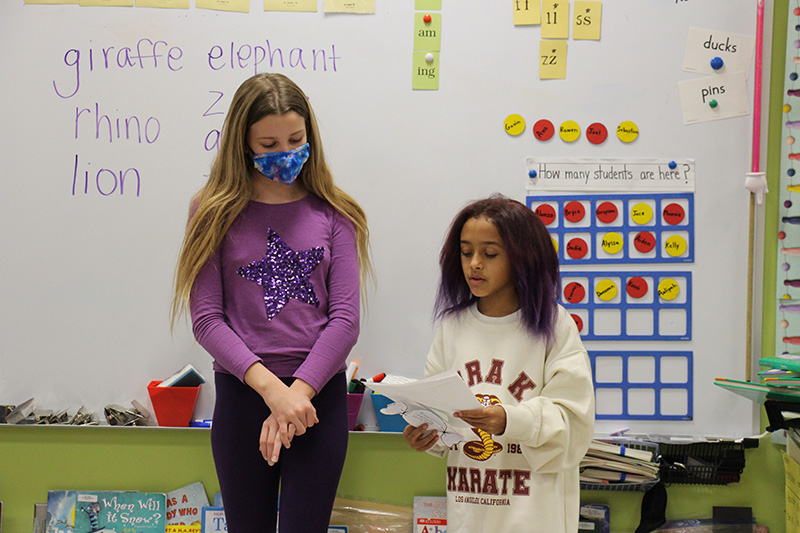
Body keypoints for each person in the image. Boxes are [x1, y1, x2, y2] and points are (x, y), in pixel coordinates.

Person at [171, 72, 372, 532]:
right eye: (268, 143)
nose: (285, 153)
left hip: (316, 399)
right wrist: (272, 392)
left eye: (295, 139)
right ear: (243, 144)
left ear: (310, 135)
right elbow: (206, 320)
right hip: (244, 397)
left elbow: (344, 321)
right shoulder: (211, 210)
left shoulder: (337, 212)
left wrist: (294, 395)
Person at [403, 195, 594, 532]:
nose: (475, 263)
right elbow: (439, 416)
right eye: (466, 252)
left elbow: (573, 424)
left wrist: (509, 419)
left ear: (523, 258)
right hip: (470, 511)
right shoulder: (452, 327)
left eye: (490, 254)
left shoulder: (555, 325)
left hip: (534, 514)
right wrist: (425, 434)